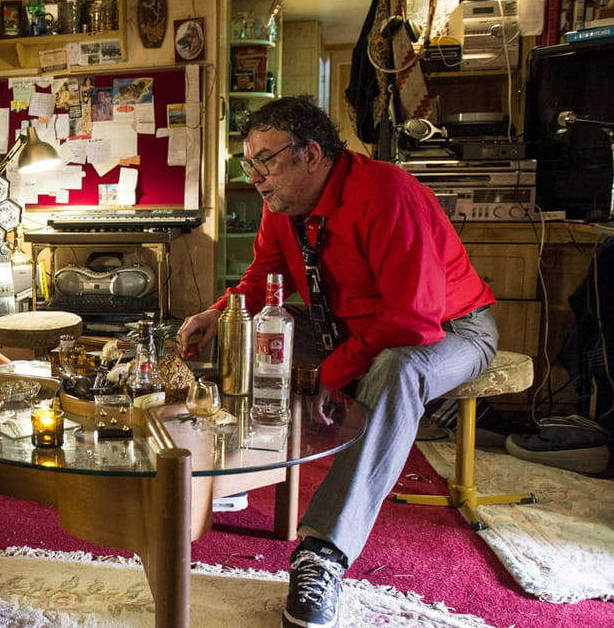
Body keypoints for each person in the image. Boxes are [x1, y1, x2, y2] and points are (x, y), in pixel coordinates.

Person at [178, 96, 497, 628]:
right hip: (345, 327)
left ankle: (323, 551)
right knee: (254, 331)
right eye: (248, 163)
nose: (255, 177)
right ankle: (233, 472)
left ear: (311, 154)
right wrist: (219, 312)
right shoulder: (282, 204)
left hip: (451, 328)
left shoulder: (388, 194)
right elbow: (263, 279)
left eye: (266, 161)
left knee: (397, 368)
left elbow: (411, 322)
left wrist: (327, 375)